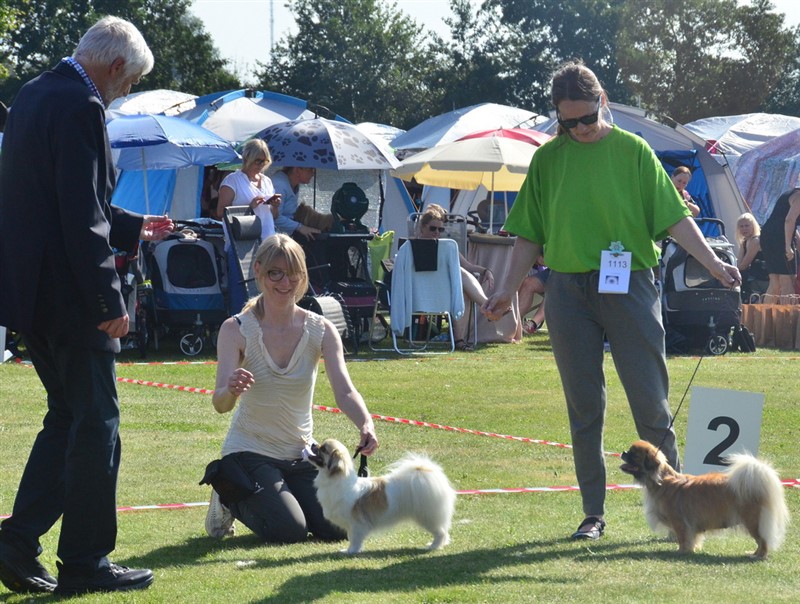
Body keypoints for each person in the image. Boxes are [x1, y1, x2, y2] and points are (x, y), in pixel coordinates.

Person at [482, 61, 740, 541]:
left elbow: (674, 220)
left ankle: (678, 508)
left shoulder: (635, 151)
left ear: (602, 102)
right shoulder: (547, 160)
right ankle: (592, 514)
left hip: (631, 286)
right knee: (584, 407)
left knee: (651, 402)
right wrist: (504, 290)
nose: (578, 129)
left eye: (586, 117)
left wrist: (713, 264)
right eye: (567, 122)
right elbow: (527, 238)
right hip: (567, 292)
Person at [0, 16, 174, 596]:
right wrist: (109, 298)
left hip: (33, 296)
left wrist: (132, 227)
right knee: (98, 425)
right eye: (127, 84)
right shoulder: (82, 105)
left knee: (69, 419)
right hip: (74, 298)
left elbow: (61, 199)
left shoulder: (32, 95)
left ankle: (17, 541)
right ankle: (85, 560)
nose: (123, 93)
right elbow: (79, 213)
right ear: (114, 67)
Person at [206, 233, 379, 543]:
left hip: (301, 454)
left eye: (293, 273)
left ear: (303, 276)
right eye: (275, 273)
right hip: (250, 451)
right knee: (289, 530)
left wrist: (366, 424)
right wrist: (231, 388)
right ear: (258, 270)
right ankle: (228, 493)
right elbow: (221, 404)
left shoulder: (321, 329)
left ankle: (271, 493)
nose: (285, 282)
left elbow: (345, 391)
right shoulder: (235, 329)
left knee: (338, 529)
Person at [418, 204, 494, 351]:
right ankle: (488, 306)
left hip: (444, 294)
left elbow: (469, 266)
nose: (437, 233)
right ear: (422, 228)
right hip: (422, 294)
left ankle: (459, 341)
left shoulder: (447, 246)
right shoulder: (411, 248)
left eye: (440, 230)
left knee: (464, 292)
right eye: (432, 229)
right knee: (458, 272)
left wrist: (486, 270)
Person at [214, 138, 280, 240]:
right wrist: (249, 207)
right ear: (247, 158)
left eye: (265, 161)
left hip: (268, 241)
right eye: (258, 161)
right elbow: (220, 212)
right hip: (241, 244)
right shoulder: (232, 180)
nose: (262, 165)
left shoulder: (267, 181)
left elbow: (273, 217)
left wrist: (275, 207)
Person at [760, 188, 800, 299]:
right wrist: (787, 246)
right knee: (788, 280)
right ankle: (788, 316)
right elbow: (789, 220)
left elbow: (790, 224)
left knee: (775, 283)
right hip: (780, 237)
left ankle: (763, 316)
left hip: (767, 234)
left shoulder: (791, 193)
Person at [273, 166, 324, 240]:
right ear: (297, 170)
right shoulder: (279, 185)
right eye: (310, 169)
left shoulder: (294, 184)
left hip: (285, 234)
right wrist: (300, 227)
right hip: (274, 237)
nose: (313, 173)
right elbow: (274, 218)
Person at [735, 212, 769, 302]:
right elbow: (739, 264)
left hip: (762, 278)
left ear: (753, 226)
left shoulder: (755, 240)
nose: (744, 229)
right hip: (754, 276)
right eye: (741, 226)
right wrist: (742, 245)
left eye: (747, 226)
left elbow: (743, 266)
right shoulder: (745, 241)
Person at [518, 263, 548, 334]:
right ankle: (515, 322)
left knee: (554, 288)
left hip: (573, 273)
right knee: (528, 283)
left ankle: (533, 324)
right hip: (552, 271)